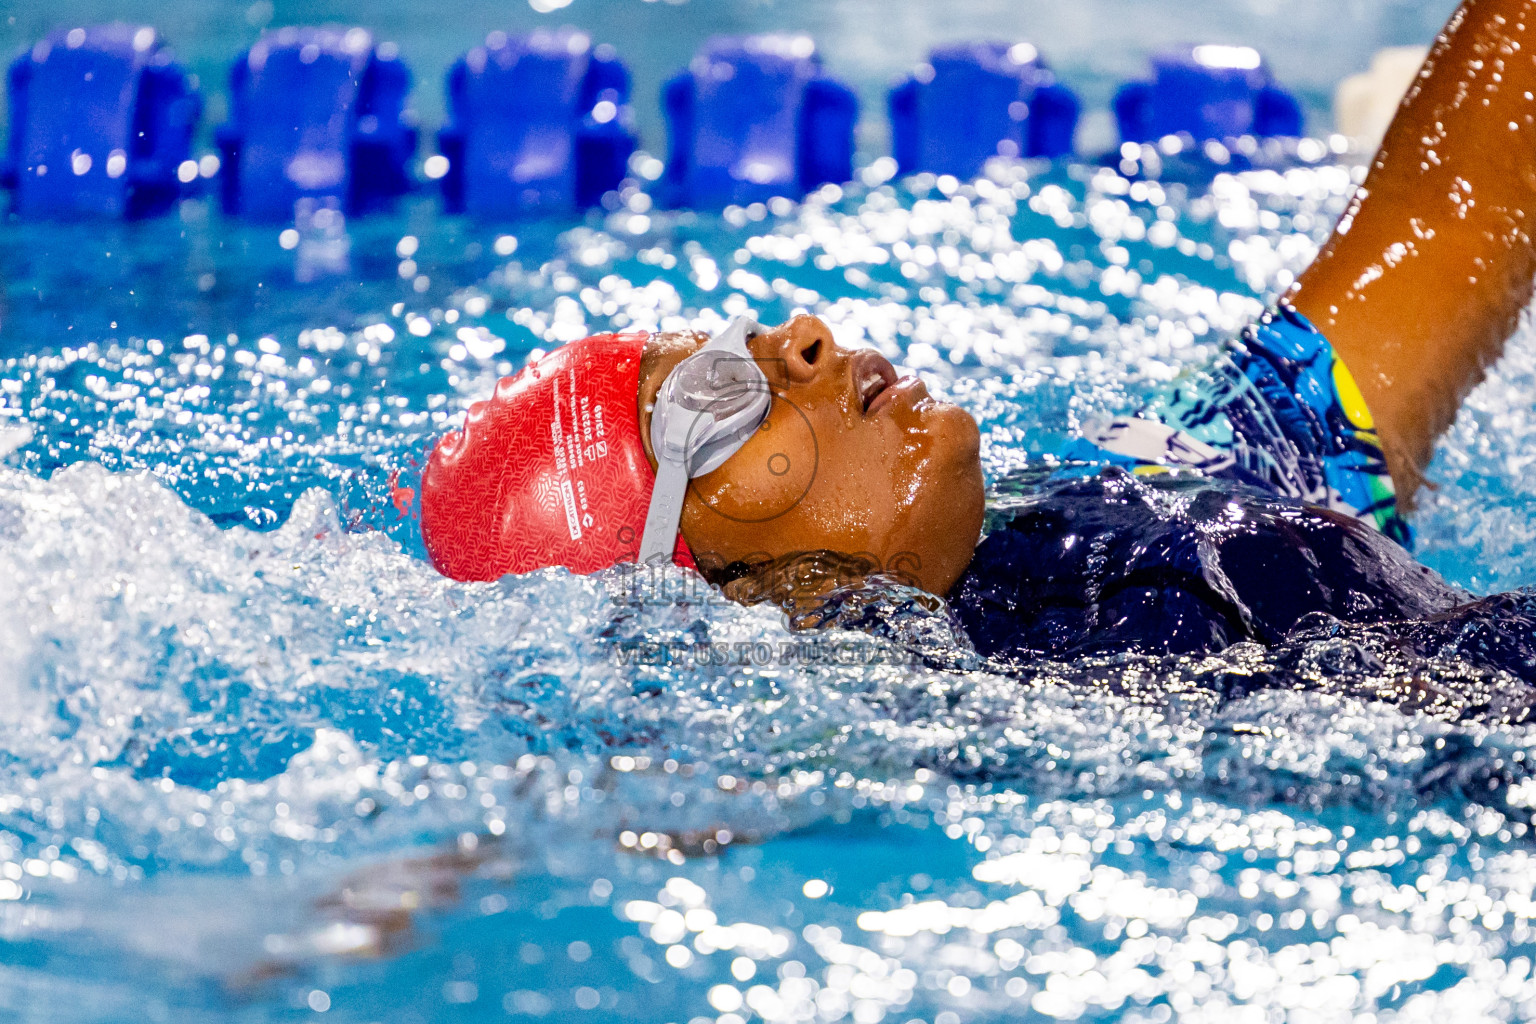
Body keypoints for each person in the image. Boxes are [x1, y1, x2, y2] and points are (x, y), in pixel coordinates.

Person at [421, 0, 1536, 671]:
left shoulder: (1156, 477)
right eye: (713, 398)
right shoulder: (1049, 693)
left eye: (746, 338)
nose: (802, 339)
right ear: (701, 584)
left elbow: (1459, 211)